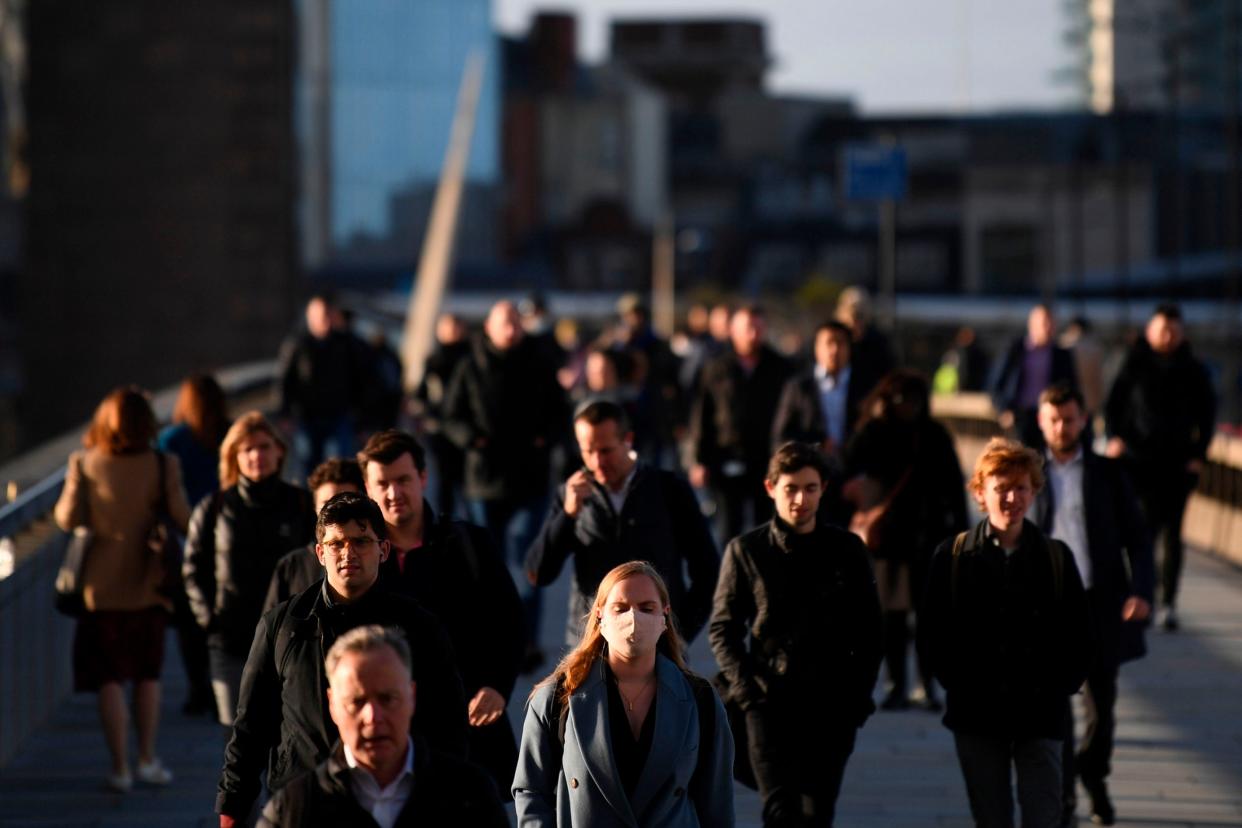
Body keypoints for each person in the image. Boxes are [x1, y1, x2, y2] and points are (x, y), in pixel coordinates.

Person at [215, 492, 467, 826]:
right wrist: (232, 806)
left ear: (383, 549)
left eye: (361, 541)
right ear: (320, 553)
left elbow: (448, 722)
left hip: (397, 802)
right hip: (302, 803)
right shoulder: (283, 625)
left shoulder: (418, 626)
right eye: (337, 544)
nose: (349, 553)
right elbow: (250, 726)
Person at [917, 437, 1092, 828]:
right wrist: (955, 681)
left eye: (1021, 488)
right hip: (977, 712)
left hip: (1041, 711)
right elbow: (931, 632)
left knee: (1044, 815)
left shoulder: (1055, 557)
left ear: (1034, 491)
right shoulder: (954, 555)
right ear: (980, 492)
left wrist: (1062, 683)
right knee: (991, 817)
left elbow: (1079, 631)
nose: (1012, 498)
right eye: (1001, 488)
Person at [710, 441, 883, 827]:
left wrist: (857, 698)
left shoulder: (848, 550)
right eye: (790, 488)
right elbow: (723, 628)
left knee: (818, 811)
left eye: (810, 488)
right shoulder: (746, 551)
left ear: (823, 488)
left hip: (831, 705)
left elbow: (870, 631)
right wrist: (747, 692)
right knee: (780, 810)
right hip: (768, 701)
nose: (800, 499)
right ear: (771, 489)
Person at [359, 429, 525, 797]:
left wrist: (498, 686)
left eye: (403, 480)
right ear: (367, 489)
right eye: (382, 484)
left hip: (467, 724)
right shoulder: (359, 558)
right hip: (389, 729)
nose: (393, 493)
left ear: (423, 478)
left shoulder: (469, 543)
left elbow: (510, 620)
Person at [513, 561, 735, 827]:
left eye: (646, 608)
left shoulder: (700, 700)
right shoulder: (558, 697)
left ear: (664, 615)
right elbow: (531, 790)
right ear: (599, 615)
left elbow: (717, 803)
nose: (633, 618)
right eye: (620, 608)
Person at [53, 386, 192, 792]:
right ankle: (147, 757)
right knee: (148, 674)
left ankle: (120, 768)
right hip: (149, 584)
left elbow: (66, 518)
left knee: (109, 678)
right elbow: (183, 519)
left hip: (99, 589)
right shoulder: (163, 464)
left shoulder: (85, 463)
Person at [1034, 383, 1155, 826]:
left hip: (1101, 601)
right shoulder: (1030, 474)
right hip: (1048, 605)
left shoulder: (1107, 473)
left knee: (1101, 708)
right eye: (1053, 420)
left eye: (1069, 419)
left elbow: (1139, 540)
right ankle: (1064, 795)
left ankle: (1094, 774)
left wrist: (1141, 591)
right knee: (1055, 710)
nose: (1062, 428)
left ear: (1083, 420)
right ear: (1041, 422)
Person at [257, 625, 507, 828]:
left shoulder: (470, 798)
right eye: (357, 702)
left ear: (412, 697)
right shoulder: (295, 809)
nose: (373, 717)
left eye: (388, 699)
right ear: (332, 704)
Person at [526, 400, 719, 645]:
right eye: (588, 451)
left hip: (655, 643)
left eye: (606, 450)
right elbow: (537, 573)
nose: (597, 462)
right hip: (592, 643)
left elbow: (708, 570)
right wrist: (567, 515)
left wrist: (679, 634)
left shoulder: (668, 489)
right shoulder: (572, 494)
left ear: (627, 440)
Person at [442, 299, 569, 670]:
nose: (512, 329)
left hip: (530, 477)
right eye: (505, 323)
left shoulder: (540, 361)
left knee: (528, 560)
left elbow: (561, 411)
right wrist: (471, 439)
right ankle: (489, 633)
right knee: (486, 562)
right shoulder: (470, 364)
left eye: (516, 322)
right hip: (483, 480)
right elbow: (451, 415)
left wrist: (547, 438)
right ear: (490, 328)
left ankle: (526, 639)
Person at [843, 370, 968, 711]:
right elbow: (848, 462)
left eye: (913, 401)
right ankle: (896, 683)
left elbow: (955, 487)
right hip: (888, 539)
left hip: (928, 536)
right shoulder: (875, 432)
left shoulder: (934, 435)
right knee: (891, 617)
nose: (908, 407)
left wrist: (961, 532)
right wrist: (874, 417)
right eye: (900, 401)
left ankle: (928, 684)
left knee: (929, 617)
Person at [182, 411, 317, 726]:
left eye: (264, 446)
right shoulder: (214, 507)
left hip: (289, 639)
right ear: (234, 456)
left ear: (279, 451)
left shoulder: (300, 504)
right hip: (230, 641)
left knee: (284, 738)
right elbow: (192, 569)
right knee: (236, 737)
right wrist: (208, 619)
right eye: (247, 449)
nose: (257, 455)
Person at [1104, 303, 1216, 631]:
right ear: (1150, 331)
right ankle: (1144, 595)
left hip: (1178, 462)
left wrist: (1199, 453)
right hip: (1138, 461)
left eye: (1173, 331)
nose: (1167, 337)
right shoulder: (1133, 363)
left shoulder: (1193, 368)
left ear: (1181, 334)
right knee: (1142, 532)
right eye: (1161, 330)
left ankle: (1169, 601)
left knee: (1173, 533)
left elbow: (1207, 415)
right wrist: (1114, 438)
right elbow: (1114, 406)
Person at [157, 373, 230, 715]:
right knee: (222, 612)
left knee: (188, 617)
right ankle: (224, 686)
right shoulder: (230, 434)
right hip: (227, 537)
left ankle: (197, 687)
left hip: (186, 536)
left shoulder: (172, 440)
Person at [689, 304, 794, 541]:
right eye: (747, 328)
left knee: (765, 526)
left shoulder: (781, 367)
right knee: (727, 526)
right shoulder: (717, 367)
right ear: (733, 331)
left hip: (767, 457)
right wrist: (699, 459)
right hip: (727, 455)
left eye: (758, 328)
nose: (753, 335)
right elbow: (702, 414)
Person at [276, 293, 366, 472]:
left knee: (342, 465)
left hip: (340, 414)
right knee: (309, 464)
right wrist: (284, 412)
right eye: (320, 315)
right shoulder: (298, 344)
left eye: (328, 314)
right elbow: (286, 379)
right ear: (310, 317)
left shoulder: (346, 344)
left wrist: (361, 417)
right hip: (307, 416)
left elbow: (361, 380)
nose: (325, 320)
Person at [263, 458, 365, 612]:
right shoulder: (291, 566)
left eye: (344, 502)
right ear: (315, 508)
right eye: (326, 505)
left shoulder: (376, 559)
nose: (335, 512)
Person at [772, 320, 866, 459]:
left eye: (840, 343)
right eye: (829, 343)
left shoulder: (865, 385)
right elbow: (781, 437)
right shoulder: (798, 387)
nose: (834, 350)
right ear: (816, 347)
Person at [990, 304, 1078, 447]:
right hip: (1021, 416)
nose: (1049, 327)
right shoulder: (1015, 350)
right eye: (1045, 323)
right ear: (1032, 325)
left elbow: (1071, 387)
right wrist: (1004, 410)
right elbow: (996, 384)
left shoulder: (1062, 354)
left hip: (1051, 417)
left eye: (1052, 323)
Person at [411, 312, 470, 518]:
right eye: (448, 326)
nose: (452, 331)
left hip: (466, 429)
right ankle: (446, 524)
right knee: (444, 481)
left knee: (466, 483)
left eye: (456, 326)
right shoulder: (434, 360)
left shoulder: (471, 358)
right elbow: (422, 393)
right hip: (439, 429)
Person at [834, 286, 895, 400]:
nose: (855, 319)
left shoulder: (878, 343)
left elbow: (889, 376)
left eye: (860, 314)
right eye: (851, 312)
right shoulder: (833, 340)